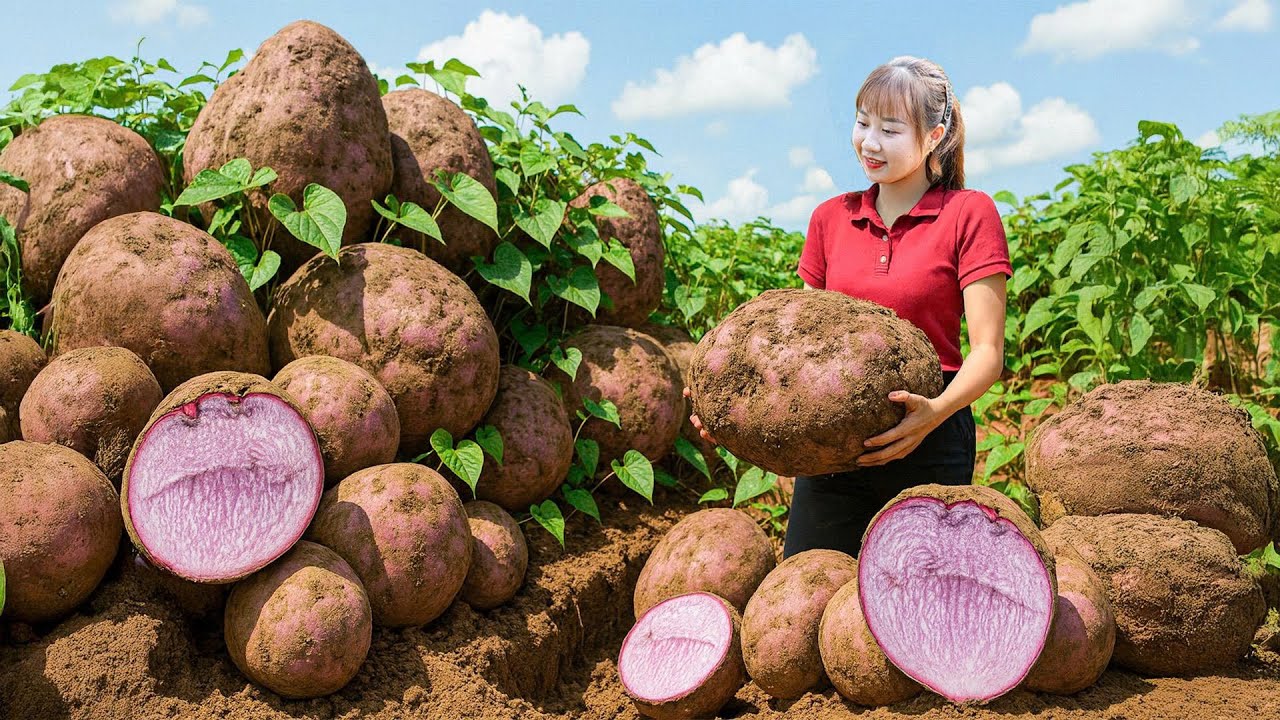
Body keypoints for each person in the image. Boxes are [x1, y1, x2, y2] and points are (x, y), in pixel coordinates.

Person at [688, 56, 1012, 559]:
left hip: (930, 434)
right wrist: (733, 414)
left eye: (890, 128)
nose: (870, 142)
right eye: (862, 123)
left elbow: (987, 352)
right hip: (833, 445)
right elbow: (799, 351)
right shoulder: (830, 219)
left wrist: (931, 416)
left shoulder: (969, 214)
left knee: (914, 607)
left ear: (933, 136)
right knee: (810, 587)